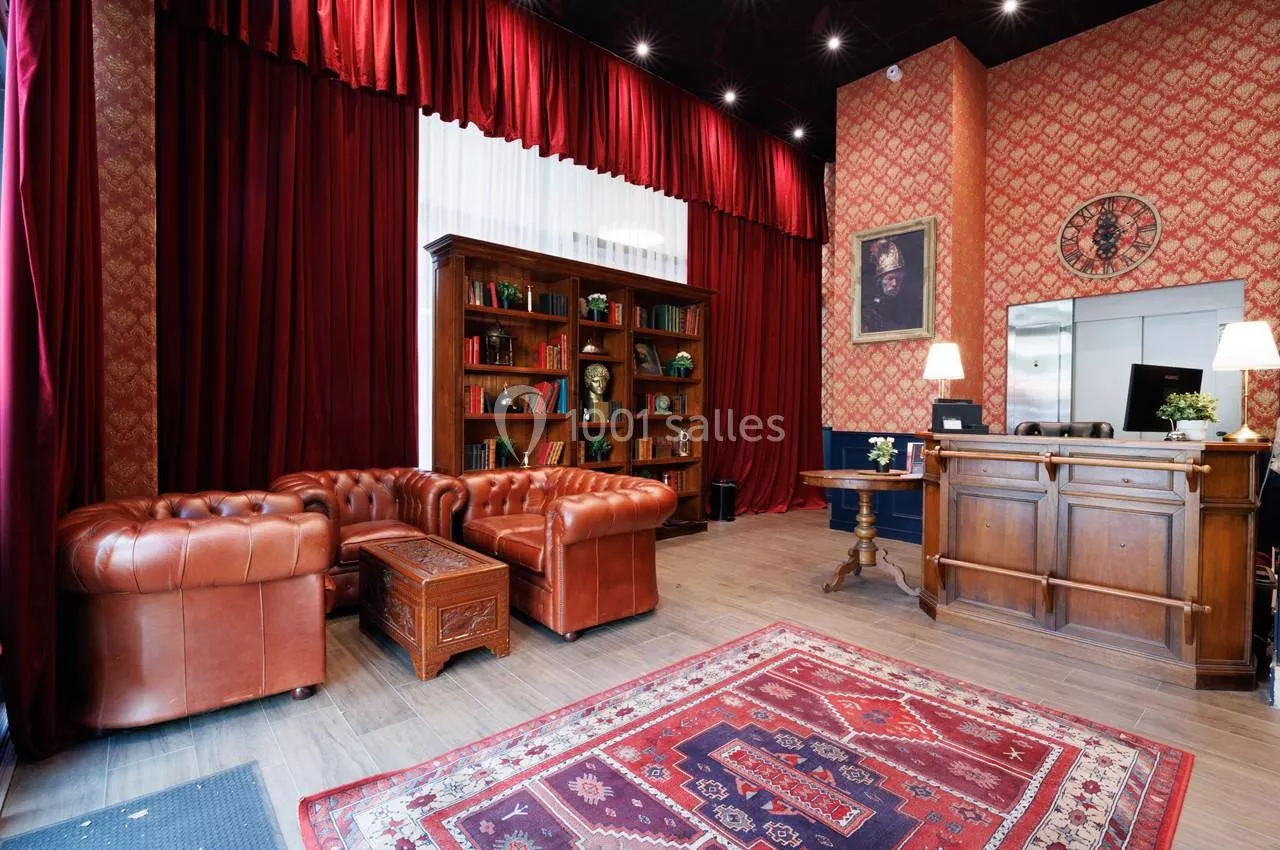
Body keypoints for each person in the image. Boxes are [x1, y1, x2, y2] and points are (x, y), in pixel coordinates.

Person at [861, 237, 923, 333]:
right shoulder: (867, 311)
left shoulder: (910, 308)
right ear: (880, 281)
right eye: (890, 278)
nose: (895, 284)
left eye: (899, 279)